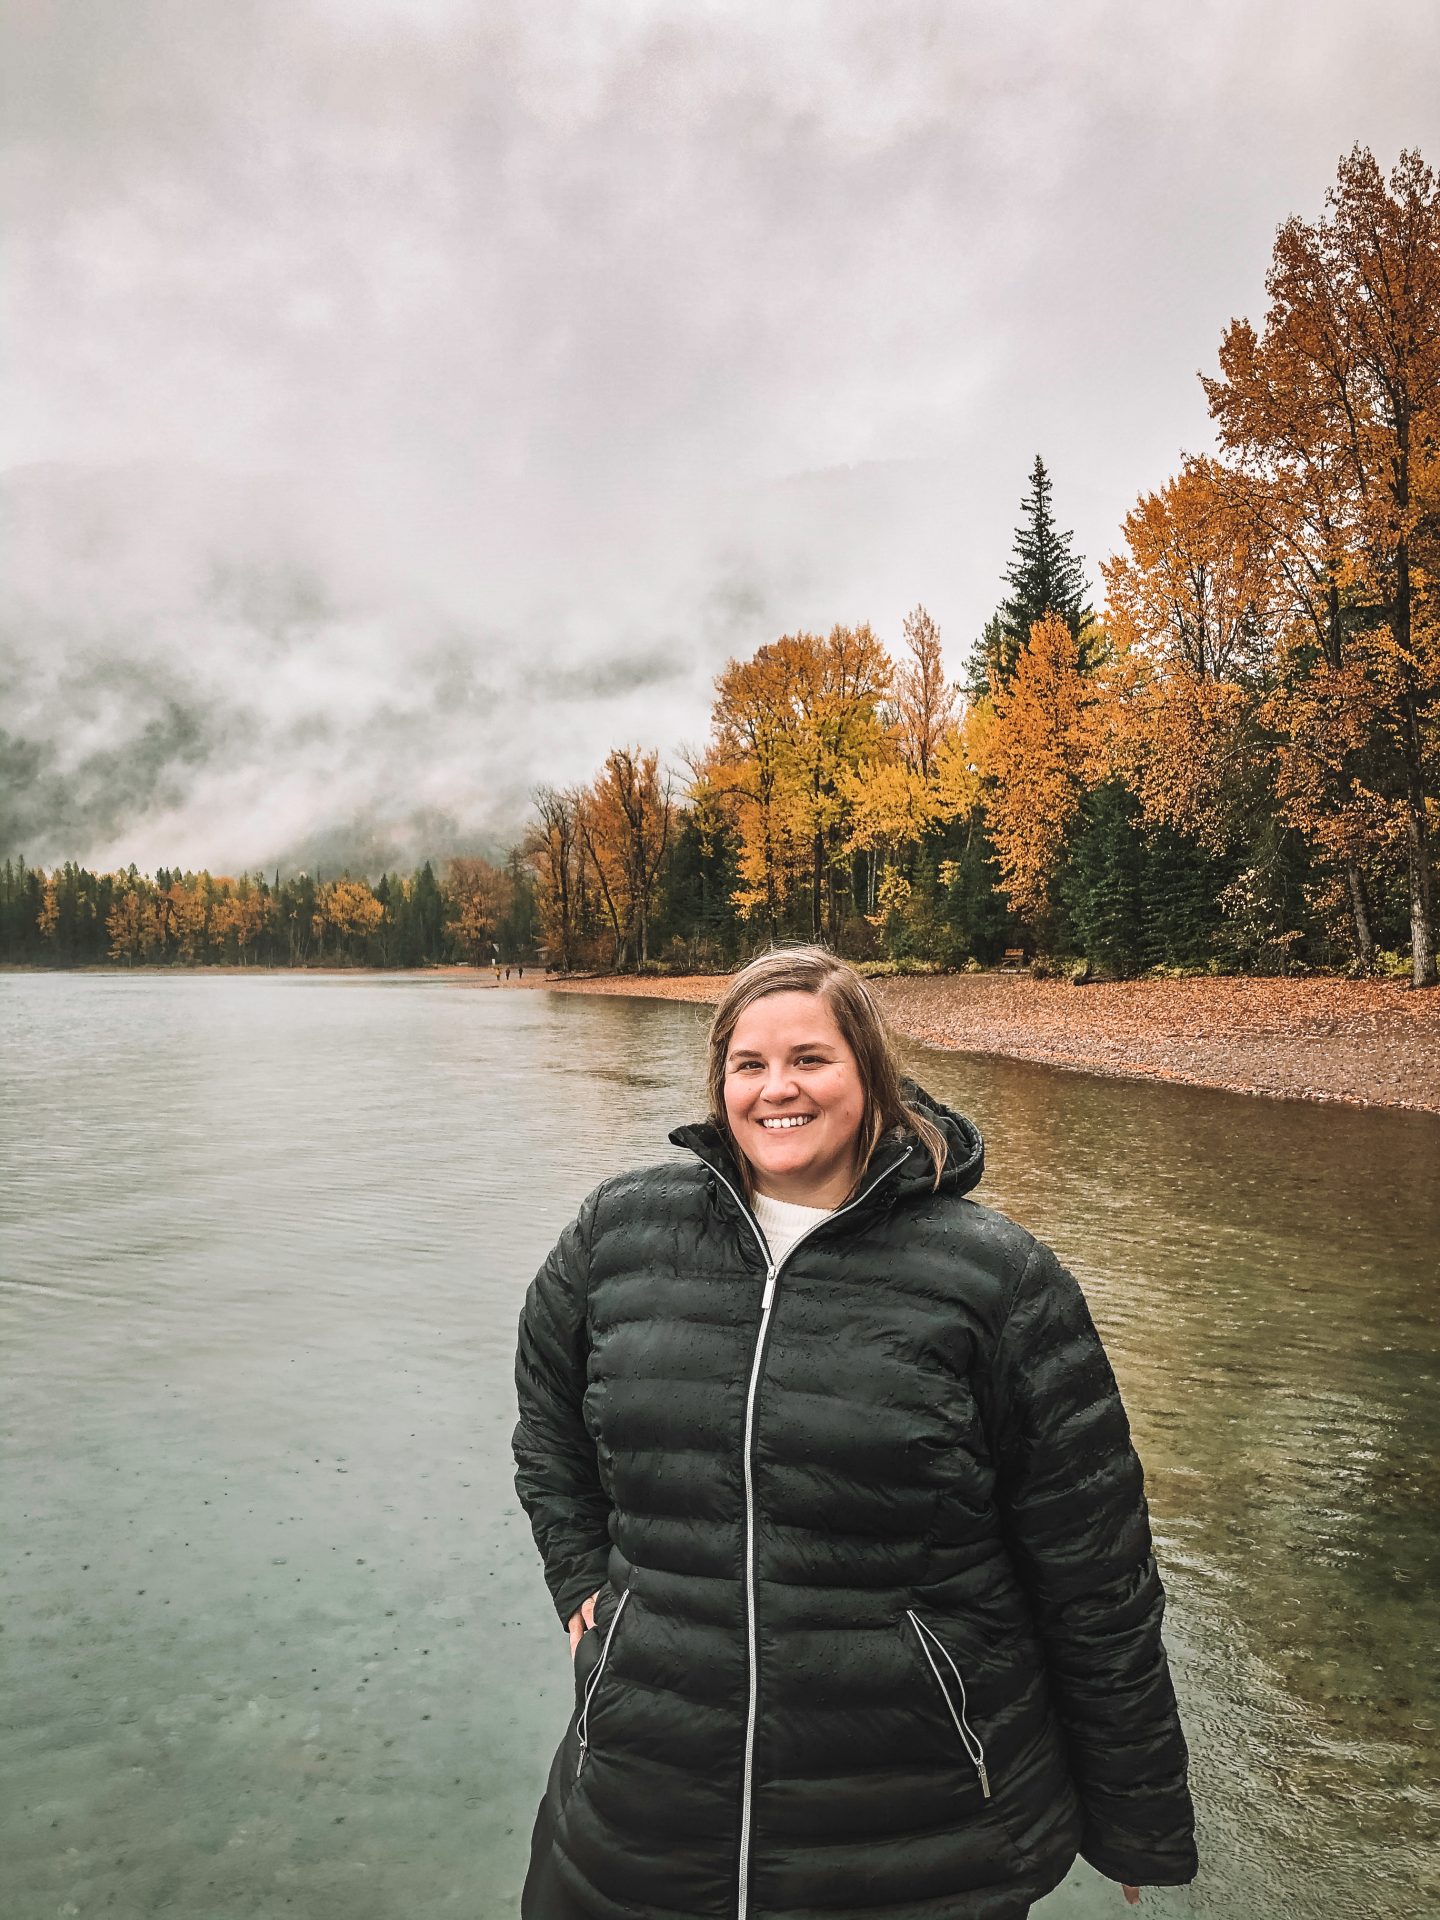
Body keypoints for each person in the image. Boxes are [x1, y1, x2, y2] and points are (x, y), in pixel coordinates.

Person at [513, 946, 1197, 1919]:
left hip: (914, 1835)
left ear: (869, 1076)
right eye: (748, 1064)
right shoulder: (618, 1236)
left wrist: (1137, 1814)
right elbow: (547, 1404)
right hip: (642, 1804)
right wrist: (581, 1574)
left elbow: (1095, 1570)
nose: (775, 1088)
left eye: (809, 1059)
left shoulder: (997, 1282)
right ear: (719, 1084)